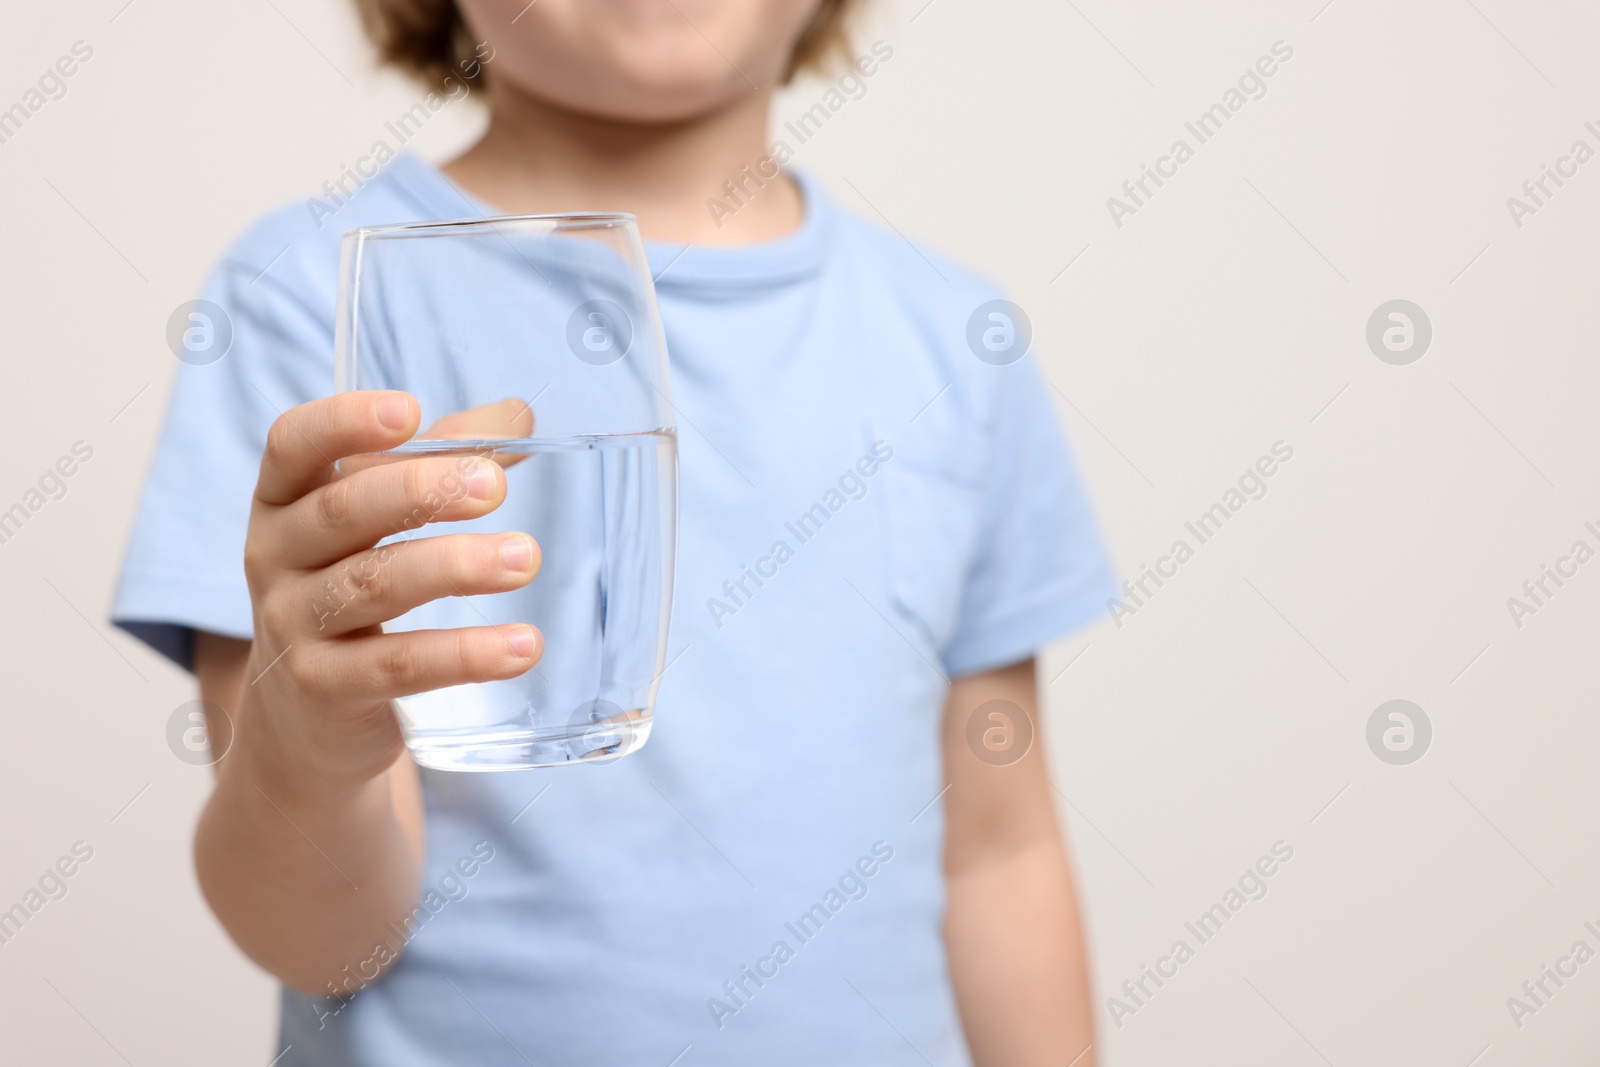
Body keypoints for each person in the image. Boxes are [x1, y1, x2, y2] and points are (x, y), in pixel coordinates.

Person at [113, 1, 1116, 1062]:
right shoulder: (311, 300)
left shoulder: (957, 345)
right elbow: (324, 942)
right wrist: (304, 759)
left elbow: (1000, 856)